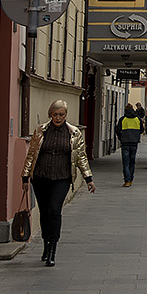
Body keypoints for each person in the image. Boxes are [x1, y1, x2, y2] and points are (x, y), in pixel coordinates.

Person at [21, 99, 94, 267]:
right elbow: (31, 154)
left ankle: (53, 248)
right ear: (50, 115)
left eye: (61, 115)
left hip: (62, 178)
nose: (58, 118)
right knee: (45, 212)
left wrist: (88, 178)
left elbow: (81, 157)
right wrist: (25, 177)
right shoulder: (40, 131)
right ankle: (46, 244)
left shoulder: (74, 133)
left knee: (54, 210)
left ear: (66, 115)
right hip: (41, 177)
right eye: (55, 114)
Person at [118, 104, 142, 186]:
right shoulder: (137, 119)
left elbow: (117, 130)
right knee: (132, 162)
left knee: (126, 163)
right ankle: (131, 179)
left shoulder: (122, 119)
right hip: (134, 143)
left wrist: (121, 138)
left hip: (125, 143)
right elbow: (141, 130)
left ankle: (127, 180)